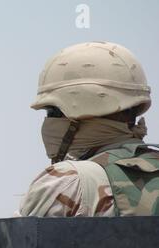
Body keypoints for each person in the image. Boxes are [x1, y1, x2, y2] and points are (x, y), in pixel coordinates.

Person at [16, 41, 159, 217]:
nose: (48, 122)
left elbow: (14, 243)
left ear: (79, 113)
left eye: (52, 111)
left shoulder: (67, 182)